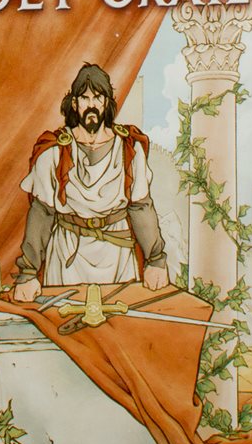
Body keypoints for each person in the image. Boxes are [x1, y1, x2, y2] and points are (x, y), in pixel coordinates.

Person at [13, 64, 169, 302]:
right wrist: (28, 273)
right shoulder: (54, 152)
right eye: (85, 98)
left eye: (98, 98)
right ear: (75, 103)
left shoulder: (129, 149)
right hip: (67, 254)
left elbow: (140, 207)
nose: (92, 105)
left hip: (117, 255)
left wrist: (156, 260)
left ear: (107, 103)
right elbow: (42, 213)